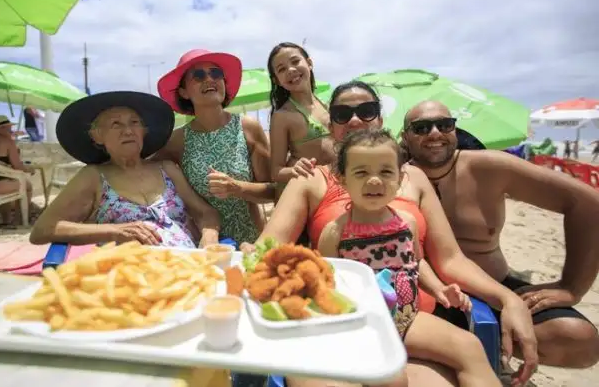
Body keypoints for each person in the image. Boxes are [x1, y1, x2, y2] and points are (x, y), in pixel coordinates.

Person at [244, 82, 538, 387]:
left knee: (468, 348)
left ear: (381, 121)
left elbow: (445, 259)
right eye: (343, 114)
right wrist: (255, 252)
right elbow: (280, 249)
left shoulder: (412, 179)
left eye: (367, 110)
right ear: (330, 126)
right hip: (350, 317)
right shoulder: (311, 179)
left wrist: (506, 299)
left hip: (410, 317)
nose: (356, 120)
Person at [401, 100, 599, 369]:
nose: (435, 133)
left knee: (578, 340)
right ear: (406, 137)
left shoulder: (490, 168)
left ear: (454, 131)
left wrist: (571, 287)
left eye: (444, 124)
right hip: (431, 293)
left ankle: (488, 345)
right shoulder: (396, 175)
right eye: (421, 127)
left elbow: (586, 202)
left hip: (492, 285)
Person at [318, 128, 498, 386]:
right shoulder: (336, 232)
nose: (374, 181)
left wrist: (439, 289)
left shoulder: (407, 223)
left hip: (407, 319)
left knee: (470, 346)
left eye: (385, 172)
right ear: (342, 179)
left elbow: (416, 262)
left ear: (400, 178)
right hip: (363, 326)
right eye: (361, 173)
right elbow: (327, 285)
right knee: (393, 379)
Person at [30, 91, 220, 248]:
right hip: (128, 277)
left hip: (188, 268)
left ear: (144, 131)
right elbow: (42, 230)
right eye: (116, 124)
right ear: (97, 136)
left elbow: (205, 212)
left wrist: (209, 237)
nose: (128, 131)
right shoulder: (94, 176)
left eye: (134, 122)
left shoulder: (166, 169)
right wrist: (115, 231)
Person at [155, 49, 273, 245]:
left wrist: (236, 187)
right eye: (199, 76)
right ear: (183, 91)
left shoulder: (248, 128)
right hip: (205, 245)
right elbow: (144, 171)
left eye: (216, 74)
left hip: (252, 242)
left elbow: (272, 192)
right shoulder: (177, 140)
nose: (209, 79)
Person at [267, 42, 335, 185]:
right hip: (313, 188)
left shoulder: (329, 106)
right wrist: (295, 170)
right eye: (281, 69)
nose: (291, 70)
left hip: (338, 183)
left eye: (295, 61)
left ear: (309, 63)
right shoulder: (282, 116)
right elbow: (276, 172)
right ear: (276, 80)